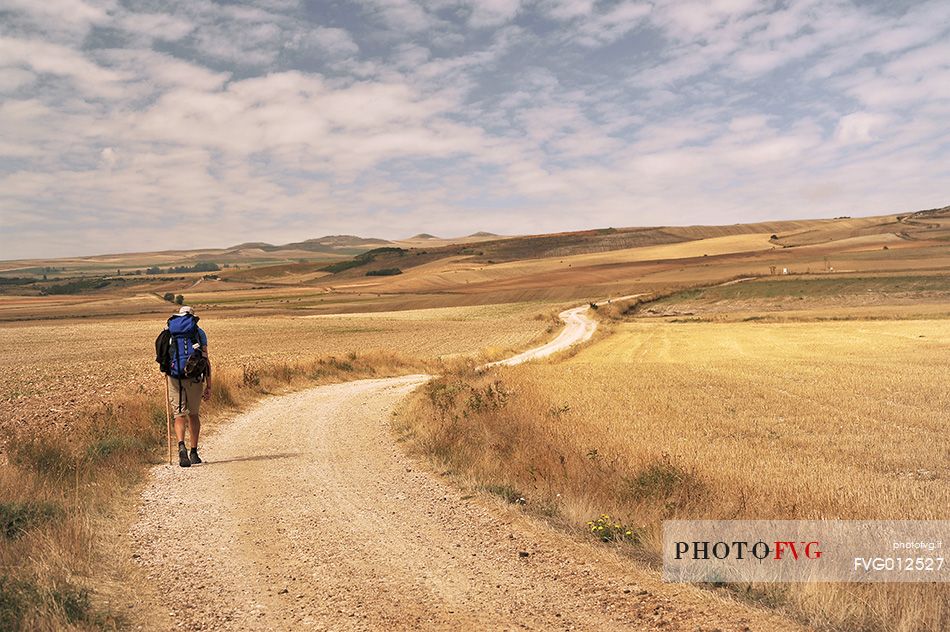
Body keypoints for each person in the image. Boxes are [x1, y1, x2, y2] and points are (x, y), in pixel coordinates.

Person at [165, 305, 211, 467]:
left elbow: (163, 354)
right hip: (194, 378)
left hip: (174, 377)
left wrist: (166, 369)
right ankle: (194, 452)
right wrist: (209, 385)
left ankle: (180, 446)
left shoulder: (170, 331)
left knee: (179, 415)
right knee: (193, 414)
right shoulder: (199, 332)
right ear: (192, 318)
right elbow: (205, 359)